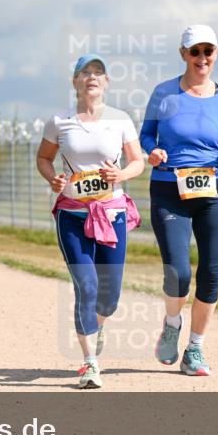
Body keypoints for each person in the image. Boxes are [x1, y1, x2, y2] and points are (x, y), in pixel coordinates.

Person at [140, 25, 218, 377]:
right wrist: (152, 152)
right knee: (179, 271)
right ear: (183, 54)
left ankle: (195, 349)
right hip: (169, 189)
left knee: (212, 273)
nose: (202, 58)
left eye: (208, 51)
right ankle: (172, 324)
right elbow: (146, 135)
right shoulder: (164, 94)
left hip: (213, 190)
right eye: (195, 51)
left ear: (216, 54)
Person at [37, 54, 144, 389]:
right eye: (85, 72)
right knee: (87, 286)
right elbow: (43, 158)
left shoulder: (121, 120)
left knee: (108, 298)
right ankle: (89, 363)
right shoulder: (59, 121)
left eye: (98, 72)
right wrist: (52, 177)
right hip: (72, 213)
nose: (92, 77)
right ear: (75, 82)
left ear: (107, 83)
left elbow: (137, 162)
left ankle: (96, 326)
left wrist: (121, 173)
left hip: (111, 213)